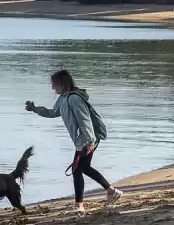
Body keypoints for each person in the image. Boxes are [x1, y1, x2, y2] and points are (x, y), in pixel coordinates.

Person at [25, 69, 124, 213]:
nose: (52, 88)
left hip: (87, 139)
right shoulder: (63, 98)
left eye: (54, 84)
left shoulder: (74, 99)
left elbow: (85, 121)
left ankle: (80, 205)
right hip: (82, 140)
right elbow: (53, 112)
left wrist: (89, 143)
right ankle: (111, 192)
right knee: (82, 168)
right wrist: (35, 109)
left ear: (62, 83)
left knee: (77, 169)